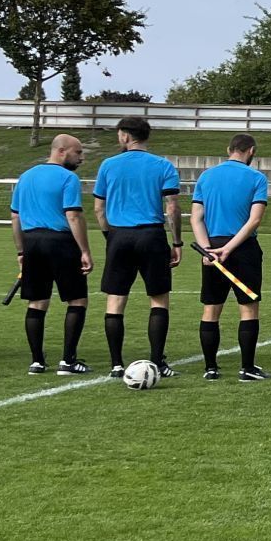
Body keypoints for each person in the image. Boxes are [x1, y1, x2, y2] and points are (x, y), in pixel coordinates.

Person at [91, 115, 182, 379]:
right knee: (159, 298)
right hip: (152, 235)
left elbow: (99, 207)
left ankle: (116, 364)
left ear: (125, 135)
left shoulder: (108, 166)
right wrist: (176, 242)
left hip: (119, 235)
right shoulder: (163, 165)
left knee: (116, 300)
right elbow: (172, 206)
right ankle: (157, 362)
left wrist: (110, 235)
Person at [9, 133, 92, 374]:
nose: (81, 158)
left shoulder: (26, 177)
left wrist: (21, 250)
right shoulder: (68, 178)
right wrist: (84, 250)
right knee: (77, 299)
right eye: (78, 153)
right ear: (62, 151)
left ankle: (37, 360)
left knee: (37, 301)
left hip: (32, 241)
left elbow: (15, 217)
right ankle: (68, 360)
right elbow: (73, 215)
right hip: (61, 242)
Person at [190, 133, 270, 382]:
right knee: (248, 309)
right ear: (252, 151)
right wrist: (231, 248)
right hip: (243, 249)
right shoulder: (257, 178)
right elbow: (254, 219)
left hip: (212, 247)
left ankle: (210, 368)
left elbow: (196, 217)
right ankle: (247, 367)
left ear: (229, 149)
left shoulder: (206, 176)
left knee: (211, 309)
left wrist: (207, 249)